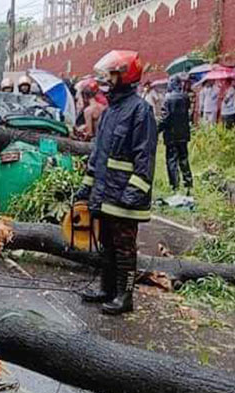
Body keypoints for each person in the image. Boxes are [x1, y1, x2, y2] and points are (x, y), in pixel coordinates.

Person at [75, 50, 157, 316]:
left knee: (124, 249)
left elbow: (145, 156)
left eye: (111, 74)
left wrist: (133, 192)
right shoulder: (111, 111)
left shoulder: (140, 111)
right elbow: (98, 154)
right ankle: (107, 289)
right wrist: (86, 187)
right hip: (105, 193)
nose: (106, 80)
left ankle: (125, 295)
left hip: (124, 196)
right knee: (107, 244)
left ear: (125, 75)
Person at [158, 77, 193, 193]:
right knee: (184, 158)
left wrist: (156, 130)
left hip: (171, 135)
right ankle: (188, 184)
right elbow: (188, 113)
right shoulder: (185, 97)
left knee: (172, 160)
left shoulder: (167, 99)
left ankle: (175, 185)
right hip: (183, 134)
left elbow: (165, 118)